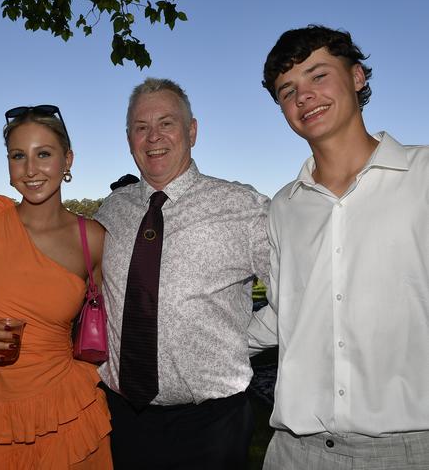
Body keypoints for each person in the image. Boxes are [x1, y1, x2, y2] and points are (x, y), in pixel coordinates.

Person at [250, 25, 429, 469]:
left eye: (318, 75)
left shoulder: (423, 178)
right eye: (287, 90)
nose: (303, 96)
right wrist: (197, 339)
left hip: (405, 451)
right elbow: (283, 311)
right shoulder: (283, 208)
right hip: (293, 451)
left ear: (357, 77)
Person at [94, 78, 270, 469]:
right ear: (129, 139)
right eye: (141, 127)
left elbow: (298, 289)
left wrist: (246, 340)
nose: (153, 136)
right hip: (121, 418)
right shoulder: (111, 211)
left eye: (167, 123)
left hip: (212, 425)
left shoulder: (242, 206)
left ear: (192, 131)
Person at [0, 105, 112, 469]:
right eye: (18, 156)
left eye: (44, 154)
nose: (31, 170)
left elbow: (107, 321)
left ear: (68, 160)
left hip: (65, 411)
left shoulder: (92, 239)